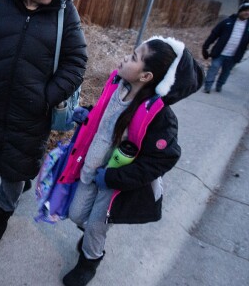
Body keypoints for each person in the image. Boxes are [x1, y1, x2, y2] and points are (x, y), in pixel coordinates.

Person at [59, 36, 204, 286]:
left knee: (96, 225)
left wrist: (115, 178)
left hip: (114, 183)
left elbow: (162, 159)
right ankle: (94, 232)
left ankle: (90, 259)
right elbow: (106, 117)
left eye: (134, 58)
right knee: (76, 214)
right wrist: (89, 114)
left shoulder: (158, 117)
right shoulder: (117, 86)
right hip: (90, 168)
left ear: (146, 76)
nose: (126, 58)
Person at [0, 0, 87, 250]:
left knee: (16, 163)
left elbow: (76, 61)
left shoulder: (65, 12)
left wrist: (46, 96)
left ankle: (1, 214)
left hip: (34, 109)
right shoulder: (1, 4)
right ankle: (18, 185)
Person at [202, 2, 249, 93]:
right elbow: (214, 34)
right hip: (220, 52)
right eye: (245, 10)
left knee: (226, 72)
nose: (248, 13)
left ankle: (219, 85)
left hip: (234, 55)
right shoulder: (227, 21)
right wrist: (205, 47)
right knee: (213, 68)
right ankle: (208, 86)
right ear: (240, 11)